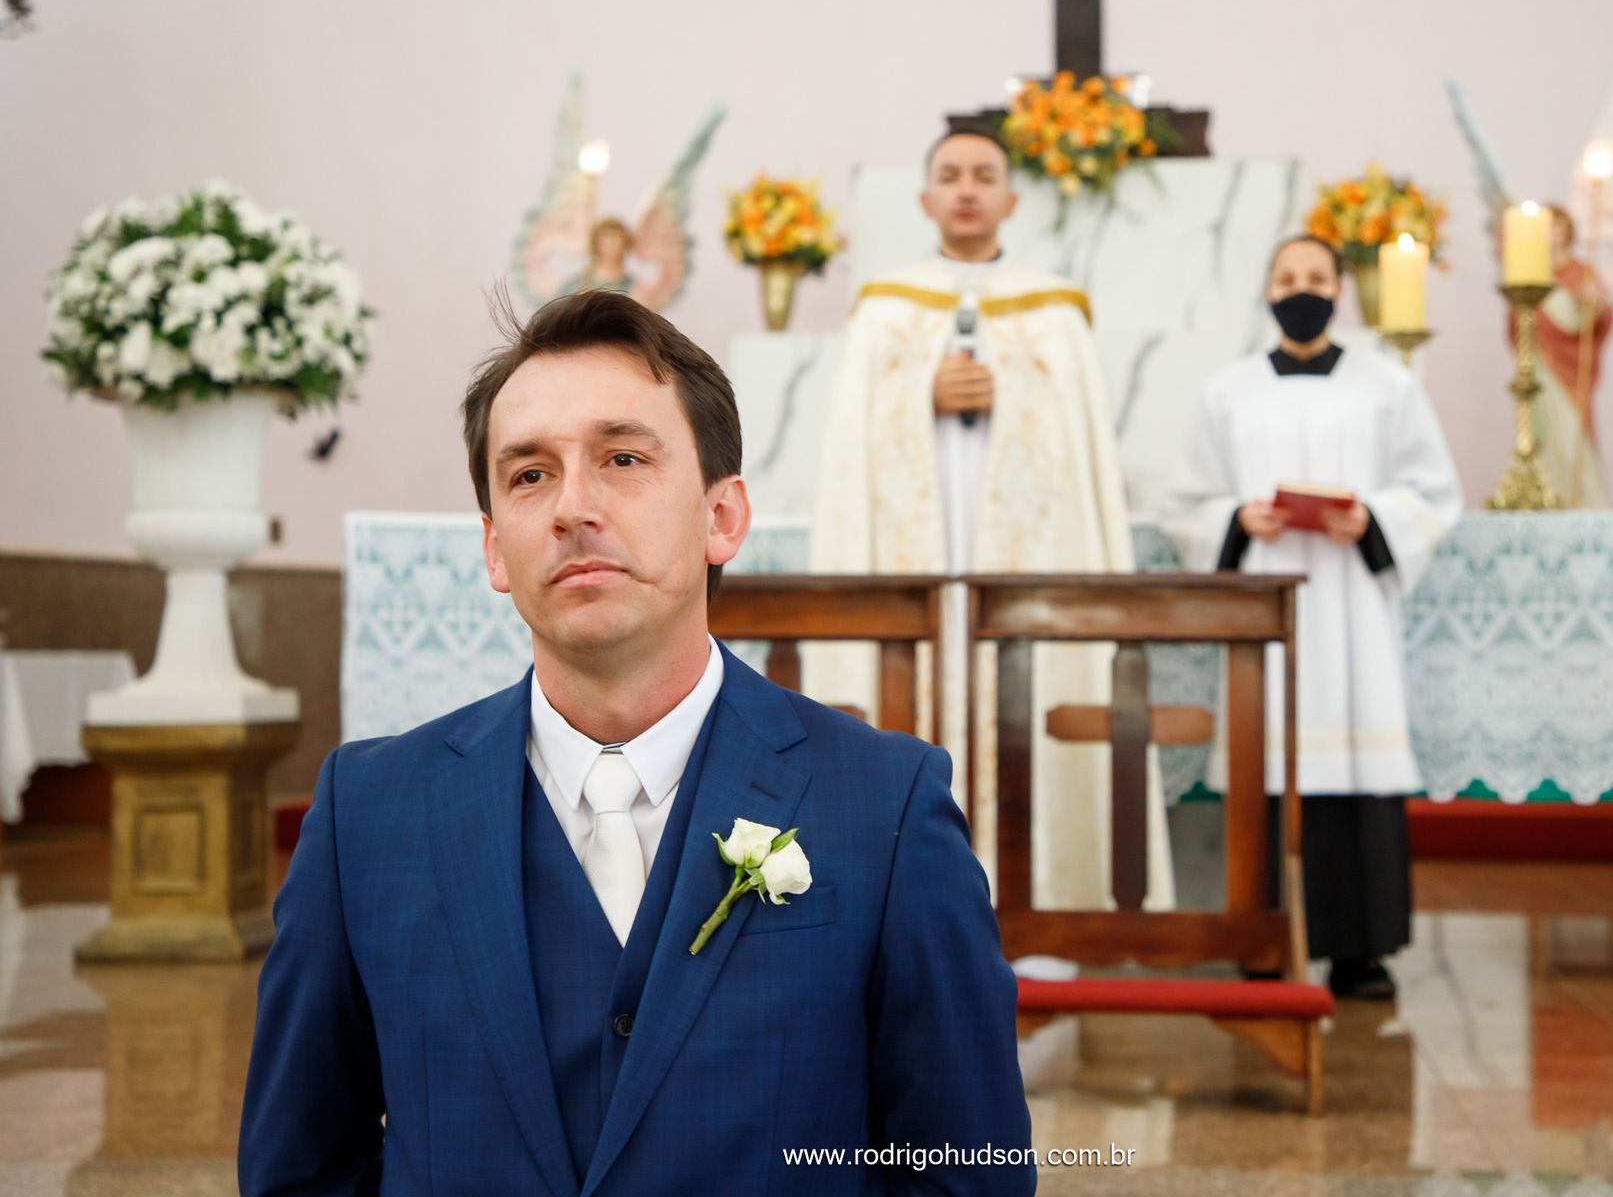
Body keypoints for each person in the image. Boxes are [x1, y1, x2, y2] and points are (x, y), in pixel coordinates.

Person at [240, 290, 1035, 1195]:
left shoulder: (885, 805)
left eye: (623, 458)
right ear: (496, 550)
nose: (574, 506)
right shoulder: (368, 816)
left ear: (722, 517)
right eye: (530, 474)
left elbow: (968, 1172)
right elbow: (299, 1167)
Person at [808, 128, 1174, 919]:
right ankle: (899, 917)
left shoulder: (1056, 312)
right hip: (917, 582)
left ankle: (1041, 909)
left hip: (1024, 580)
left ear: (1010, 199)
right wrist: (919, 398)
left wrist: (1010, 399)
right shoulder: (882, 309)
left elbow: (1079, 461)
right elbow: (848, 454)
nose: (966, 188)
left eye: (983, 175)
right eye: (949, 174)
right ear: (925, 199)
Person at [1163, 235, 1462, 1000]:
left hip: (1352, 605)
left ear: (1339, 290)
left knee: (1357, 775)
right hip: (1269, 600)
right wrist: (1238, 519)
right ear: (1267, 290)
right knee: (1262, 768)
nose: (1303, 288)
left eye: (1317, 277)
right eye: (1287, 277)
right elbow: (1186, 502)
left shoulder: (1385, 385)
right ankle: (1260, 940)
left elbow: (1433, 490)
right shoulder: (1229, 391)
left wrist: (1371, 517)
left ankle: (1360, 952)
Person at [1506, 205, 1613, 507]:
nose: (1549, 233)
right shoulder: (1529, 273)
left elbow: (1598, 318)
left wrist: (1592, 305)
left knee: (1570, 438)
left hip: (1568, 374)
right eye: (1545, 227)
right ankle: (1541, 498)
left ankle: (1582, 502)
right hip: (1537, 371)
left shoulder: (1580, 273)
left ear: (1568, 232)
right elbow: (1517, 323)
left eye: (1556, 226)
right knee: (1540, 437)